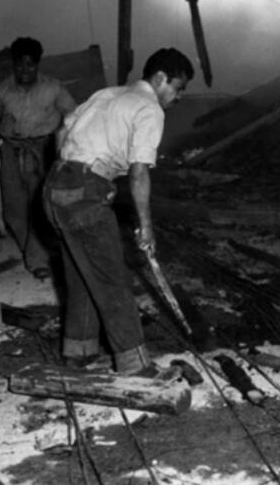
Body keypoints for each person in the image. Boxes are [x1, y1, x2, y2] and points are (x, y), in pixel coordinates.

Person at [43, 47, 193, 375]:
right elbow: (139, 172)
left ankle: (78, 352)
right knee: (112, 279)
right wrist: (146, 226)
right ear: (159, 78)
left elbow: (63, 128)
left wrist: (71, 168)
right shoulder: (149, 108)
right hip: (85, 192)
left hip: (55, 186)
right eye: (178, 87)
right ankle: (135, 367)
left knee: (83, 272)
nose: (178, 96)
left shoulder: (107, 93)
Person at [0, 37, 77, 280]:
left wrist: (67, 152)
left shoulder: (53, 88)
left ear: (37, 65)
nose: (25, 70)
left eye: (30, 65)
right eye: (20, 65)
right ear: (13, 64)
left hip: (44, 150)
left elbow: (75, 117)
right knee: (13, 209)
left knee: (39, 205)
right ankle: (34, 248)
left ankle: (36, 258)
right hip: (10, 150)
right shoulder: (2, 89)